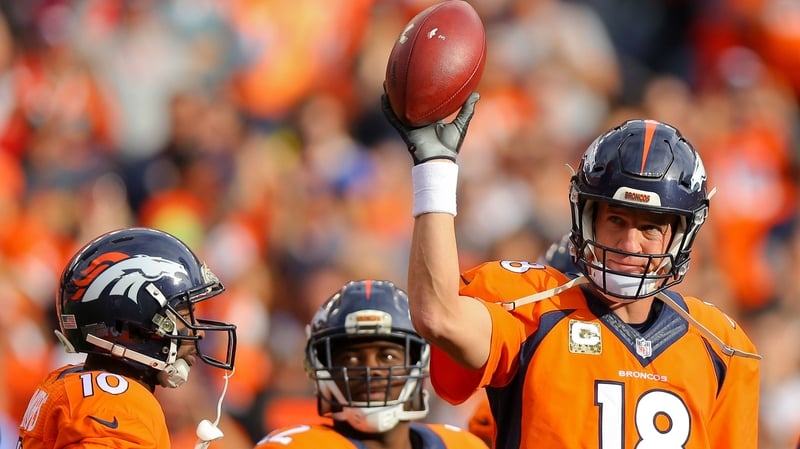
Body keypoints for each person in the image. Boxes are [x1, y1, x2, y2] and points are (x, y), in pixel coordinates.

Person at [383, 93, 761, 448]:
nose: (630, 244)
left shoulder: (721, 346)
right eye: (616, 220)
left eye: (650, 228)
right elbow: (438, 315)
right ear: (587, 217)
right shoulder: (532, 305)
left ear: (680, 236)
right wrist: (434, 170)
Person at [17, 227, 238, 449]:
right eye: (183, 314)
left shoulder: (65, 380)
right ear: (138, 321)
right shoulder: (121, 402)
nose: (199, 332)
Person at [253, 279, 488, 449]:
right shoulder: (298, 446)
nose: (370, 370)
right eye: (350, 358)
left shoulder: (462, 444)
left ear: (419, 360)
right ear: (322, 368)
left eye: (387, 356)